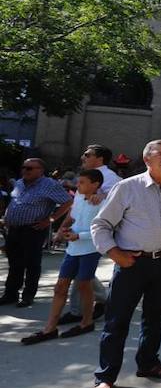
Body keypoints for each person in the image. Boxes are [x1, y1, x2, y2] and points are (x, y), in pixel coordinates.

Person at [89, 140, 161, 388]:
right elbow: (100, 225)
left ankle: (148, 363)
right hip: (131, 264)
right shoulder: (127, 187)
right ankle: (106, 378)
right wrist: (114, 254)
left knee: (156, 317)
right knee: (116, 321)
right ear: (147, 160)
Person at [21, 169, 105, 344]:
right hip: (72, 248)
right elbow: (72, 218)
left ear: (95, 184)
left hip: (89, 249)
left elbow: (104, 229)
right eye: (78, 181)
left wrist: (79, 236)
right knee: (60, 287)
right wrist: (62, 231)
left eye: (82, 182)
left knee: (84, 285)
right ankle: (49, 328)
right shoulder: (78, 198)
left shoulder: (103, 202)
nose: (77, 185)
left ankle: (86, 322)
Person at [60, 145, 122, 324]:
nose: (83, 157)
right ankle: (102, 299)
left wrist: (102, 195)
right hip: (76, 233)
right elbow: (75, 207)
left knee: (82, 276)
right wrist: (64, 227)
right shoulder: (84, 178)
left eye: (87, 155)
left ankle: (78, 311)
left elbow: (116, 199)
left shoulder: (111, 178)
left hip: (91, 235)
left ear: (100, 158)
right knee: (82, 274)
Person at [0, 158, 73, 308]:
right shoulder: (20, 183)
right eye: (24, 167)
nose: (25, 170)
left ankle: (28, 296)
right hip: (14, 229)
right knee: (14, 263)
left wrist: (50, 219)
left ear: (40, 171)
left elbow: (68, 202)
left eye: (29, 168)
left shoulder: (50, 185)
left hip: (33, 229)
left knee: (32, 264)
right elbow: (15, 202)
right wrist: (7, 218)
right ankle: (10, 294)